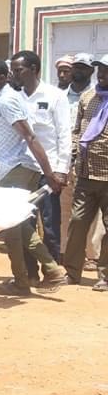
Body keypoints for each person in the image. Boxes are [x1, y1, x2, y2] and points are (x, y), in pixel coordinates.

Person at [0, 58, 66, 293]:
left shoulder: (6, 100)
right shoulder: (1, 97)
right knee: (14, 226)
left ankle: (48, 270)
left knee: (12, 225)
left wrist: (49, 173)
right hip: (12, 167)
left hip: (19, 167)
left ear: (2, 77)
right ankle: (26, 279)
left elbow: (30, 137)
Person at [10, 50, 70, 281]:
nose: (14, 74)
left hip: (49, 171)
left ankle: (52, 272)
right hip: (24, 170)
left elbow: (64, 135)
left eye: (19, 70)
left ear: (33, 69)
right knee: (25, 222)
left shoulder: (54, 96)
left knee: (50, 223)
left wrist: (61, 170)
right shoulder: (15, 98)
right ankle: (30, 273)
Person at [64, 54, 108, 290]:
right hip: (84, 173)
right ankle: (72, 272)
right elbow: (77, 130)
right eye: (100, 69)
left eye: (106, 70)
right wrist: (72, 156)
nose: (102, 74)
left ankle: (105, 275)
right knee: (78, 222)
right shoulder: (87, 97)